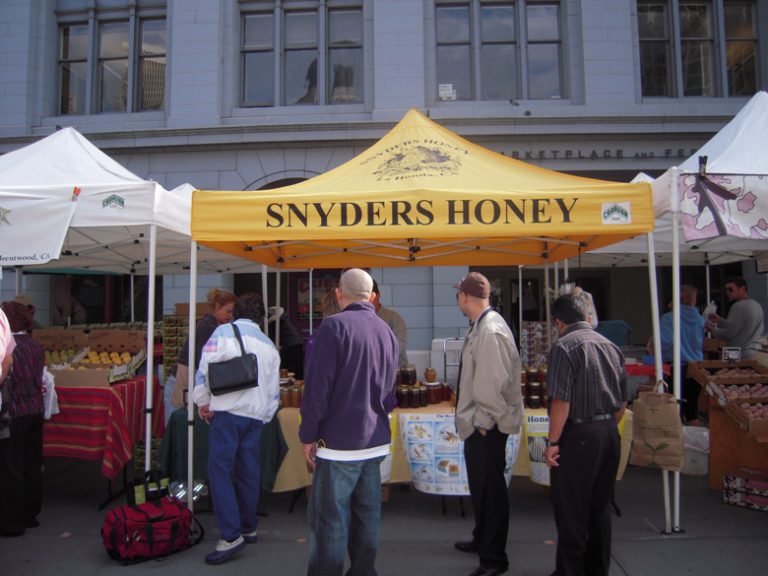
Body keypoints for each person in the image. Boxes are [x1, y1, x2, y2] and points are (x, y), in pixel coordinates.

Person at [299, 268, 398, 576]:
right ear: (371, 297)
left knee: (330, 522)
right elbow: (389, 393)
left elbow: (317, 390)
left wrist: (308, 435)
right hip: (375, 441)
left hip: (338, 444)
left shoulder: (332, 327)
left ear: (339, 294)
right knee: (367, 517)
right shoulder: (386, 331)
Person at [544, 292, 629, 576]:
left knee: (571, 512)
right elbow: (622, 402)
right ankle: (597, 570)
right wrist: (604, 427)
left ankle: (570, 571)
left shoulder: (563, 347)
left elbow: (561, 401)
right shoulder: (611, 346)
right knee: (600, 510)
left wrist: (553, 441)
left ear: (558, 322)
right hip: (608, 431)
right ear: (586, 316)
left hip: (578, 433)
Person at [192, 292, 280, 565]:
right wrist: (264, 417)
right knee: (248, 471)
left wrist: (202, 401)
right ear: (262, 317)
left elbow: (204, 368)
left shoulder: (221, 333)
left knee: (219, 471)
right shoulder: (269, 345)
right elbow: (274, 392)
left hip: (228, 412)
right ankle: (248, 526)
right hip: (255, 417)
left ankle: (231, 536)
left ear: (236, 312)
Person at [452, 272, 523, 576]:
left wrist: (483, 423)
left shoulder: (490, 330)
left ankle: (494, 560)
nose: (458, 299)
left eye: (458, 295)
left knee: (491, 492)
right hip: (481, 423)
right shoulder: (483, 326)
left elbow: (493, 383)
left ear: (465, 297)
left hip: (486, 426)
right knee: (482, 489)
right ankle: (483, 540)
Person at [0, 301, 45, 537]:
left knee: (11, 468)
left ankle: (12, 523)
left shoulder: (8, 347)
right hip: (35, 409)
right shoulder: (35, 345)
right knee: (31, 465)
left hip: (14, 413)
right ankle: (30, 515)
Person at [170, 288, 237, 410]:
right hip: (187, 375)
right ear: (217, 306)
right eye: (228, 311)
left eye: (232, 313)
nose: (231, 316)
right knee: (183, 412)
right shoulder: (207, 327)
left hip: (195, 375)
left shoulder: (215, 326)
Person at [660, 284, 705, 425]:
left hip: (676, 367)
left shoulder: (669, 318)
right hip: (697, 368)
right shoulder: (699, 319)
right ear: (693, 299)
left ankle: (677, 444)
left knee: (674, 410)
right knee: (692, 409)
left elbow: (665, 341)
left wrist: (653, 343)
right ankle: (696, 443)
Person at [706, 276, 765, 359]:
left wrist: (712, 330)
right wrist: (720, 321)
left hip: (737, 352)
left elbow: (729, 333)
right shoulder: (756, 305)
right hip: (755, 351)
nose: (727, 292)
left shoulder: (738, 307)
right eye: (726, 290)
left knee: (728, 371)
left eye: (730, 289)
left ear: (742, 289)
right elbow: (741, 327)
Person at [372, 279, 408, 367]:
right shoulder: (358, 320)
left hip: (395, 371)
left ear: (378, 295)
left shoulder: (394, 318)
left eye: (371, 297)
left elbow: (397, 347)